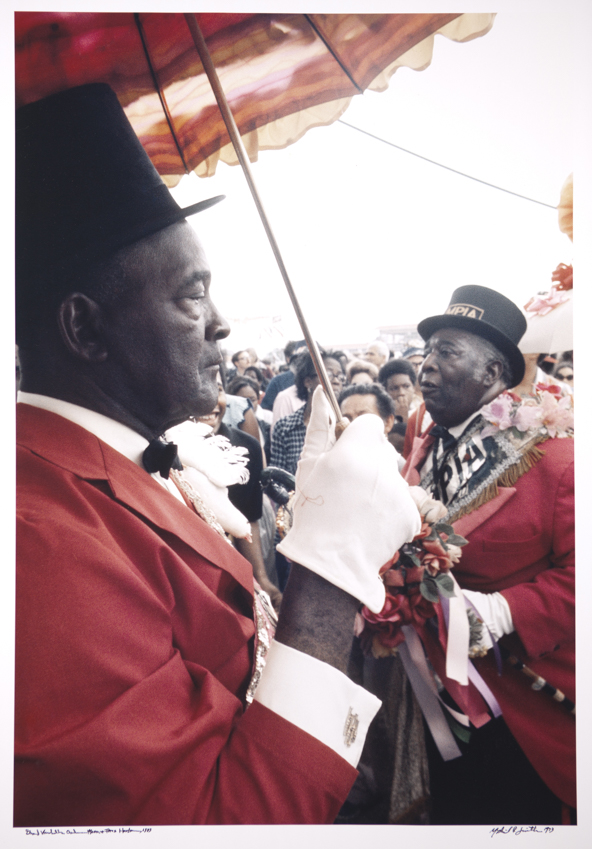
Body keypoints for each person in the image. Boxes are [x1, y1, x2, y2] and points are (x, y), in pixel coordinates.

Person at [15, 84, 421, 827]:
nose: (224, 325)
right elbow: (216, 821)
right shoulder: (34, 539)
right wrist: (329, 578)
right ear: (85, 328)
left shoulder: (113, 466)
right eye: (192, 295)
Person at [402, 285, 575, 825]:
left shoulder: (558, 457)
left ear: (494, 370)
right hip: (431, 691)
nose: (426, 367)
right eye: (426, 352)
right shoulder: (420, 437)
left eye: (446, 353)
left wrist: (502, 612)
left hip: (524, 700)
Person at [378, 358, 418, 424]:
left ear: (413, 388)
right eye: (394, 388)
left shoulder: (423, 412)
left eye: (406, 386)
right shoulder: (381, 417)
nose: (401, 393)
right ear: (385, 391)